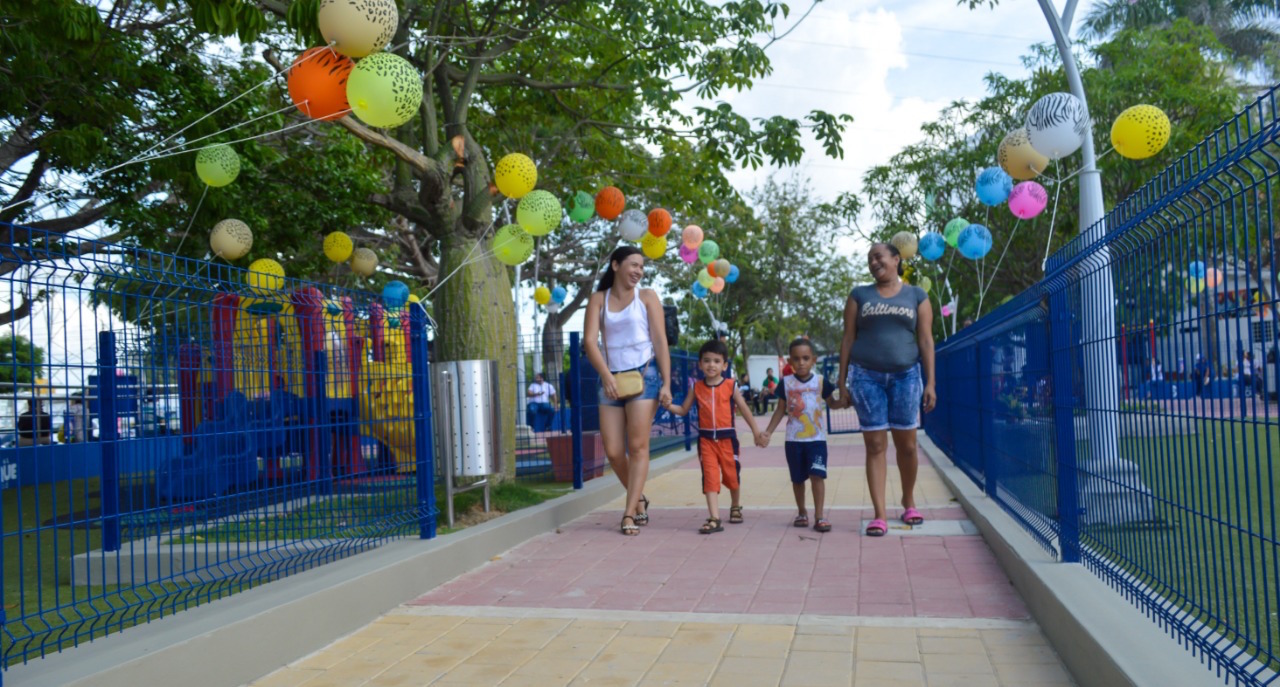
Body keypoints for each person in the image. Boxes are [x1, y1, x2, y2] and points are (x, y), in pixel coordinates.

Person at [838, 242, 936, 537]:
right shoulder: (859, 295)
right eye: (870, 259)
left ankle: (908, 501)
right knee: (876, 446)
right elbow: (847, 339)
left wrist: (930, 382)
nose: (873, 262)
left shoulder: (917, 295)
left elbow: (926, 341)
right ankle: (879, 514)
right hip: (866, 377)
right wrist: (843, 383)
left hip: (906, 376)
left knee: (906, 445)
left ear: (896, 259)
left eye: (879, 256)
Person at [583, 246, 672, 536]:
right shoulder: (598, 299)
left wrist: (667, 383)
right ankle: (640, 498)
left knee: (637, 447)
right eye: (633, 265)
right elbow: (589, 342)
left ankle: (629, 511)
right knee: (612, 450)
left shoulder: (647, 297)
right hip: (610, 379)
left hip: (644, 377)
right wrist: (606, 375)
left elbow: (660, 342)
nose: (638, 271)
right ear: (615, 265)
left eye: (642, 267)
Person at [665, 339, 767, 533]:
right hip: (706, 441)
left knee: (732, 477)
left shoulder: (730, 386)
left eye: (716, 361)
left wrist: (756, 432)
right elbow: (683, 409)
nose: (711, 365)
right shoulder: (696, 388)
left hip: (728, 440)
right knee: (710, 478)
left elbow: (744, 409)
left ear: (725, 365)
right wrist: (668, 405)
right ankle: (714, 518)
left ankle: (735, 506)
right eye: (707, 360)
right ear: (700, 364)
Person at [763, 338, 839, 532]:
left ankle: (820, 516)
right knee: (797, 479)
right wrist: (768, 432)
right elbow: (780, 410)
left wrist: (849, 401)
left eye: (806, 358)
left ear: (813, 359)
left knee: (817, 476)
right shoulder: (786, 383)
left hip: (817, 440)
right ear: (790, 361)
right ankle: (802, 512)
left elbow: (832, 403)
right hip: (794, 441)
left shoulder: (821, 381)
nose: (801, 362)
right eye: (796, 359)